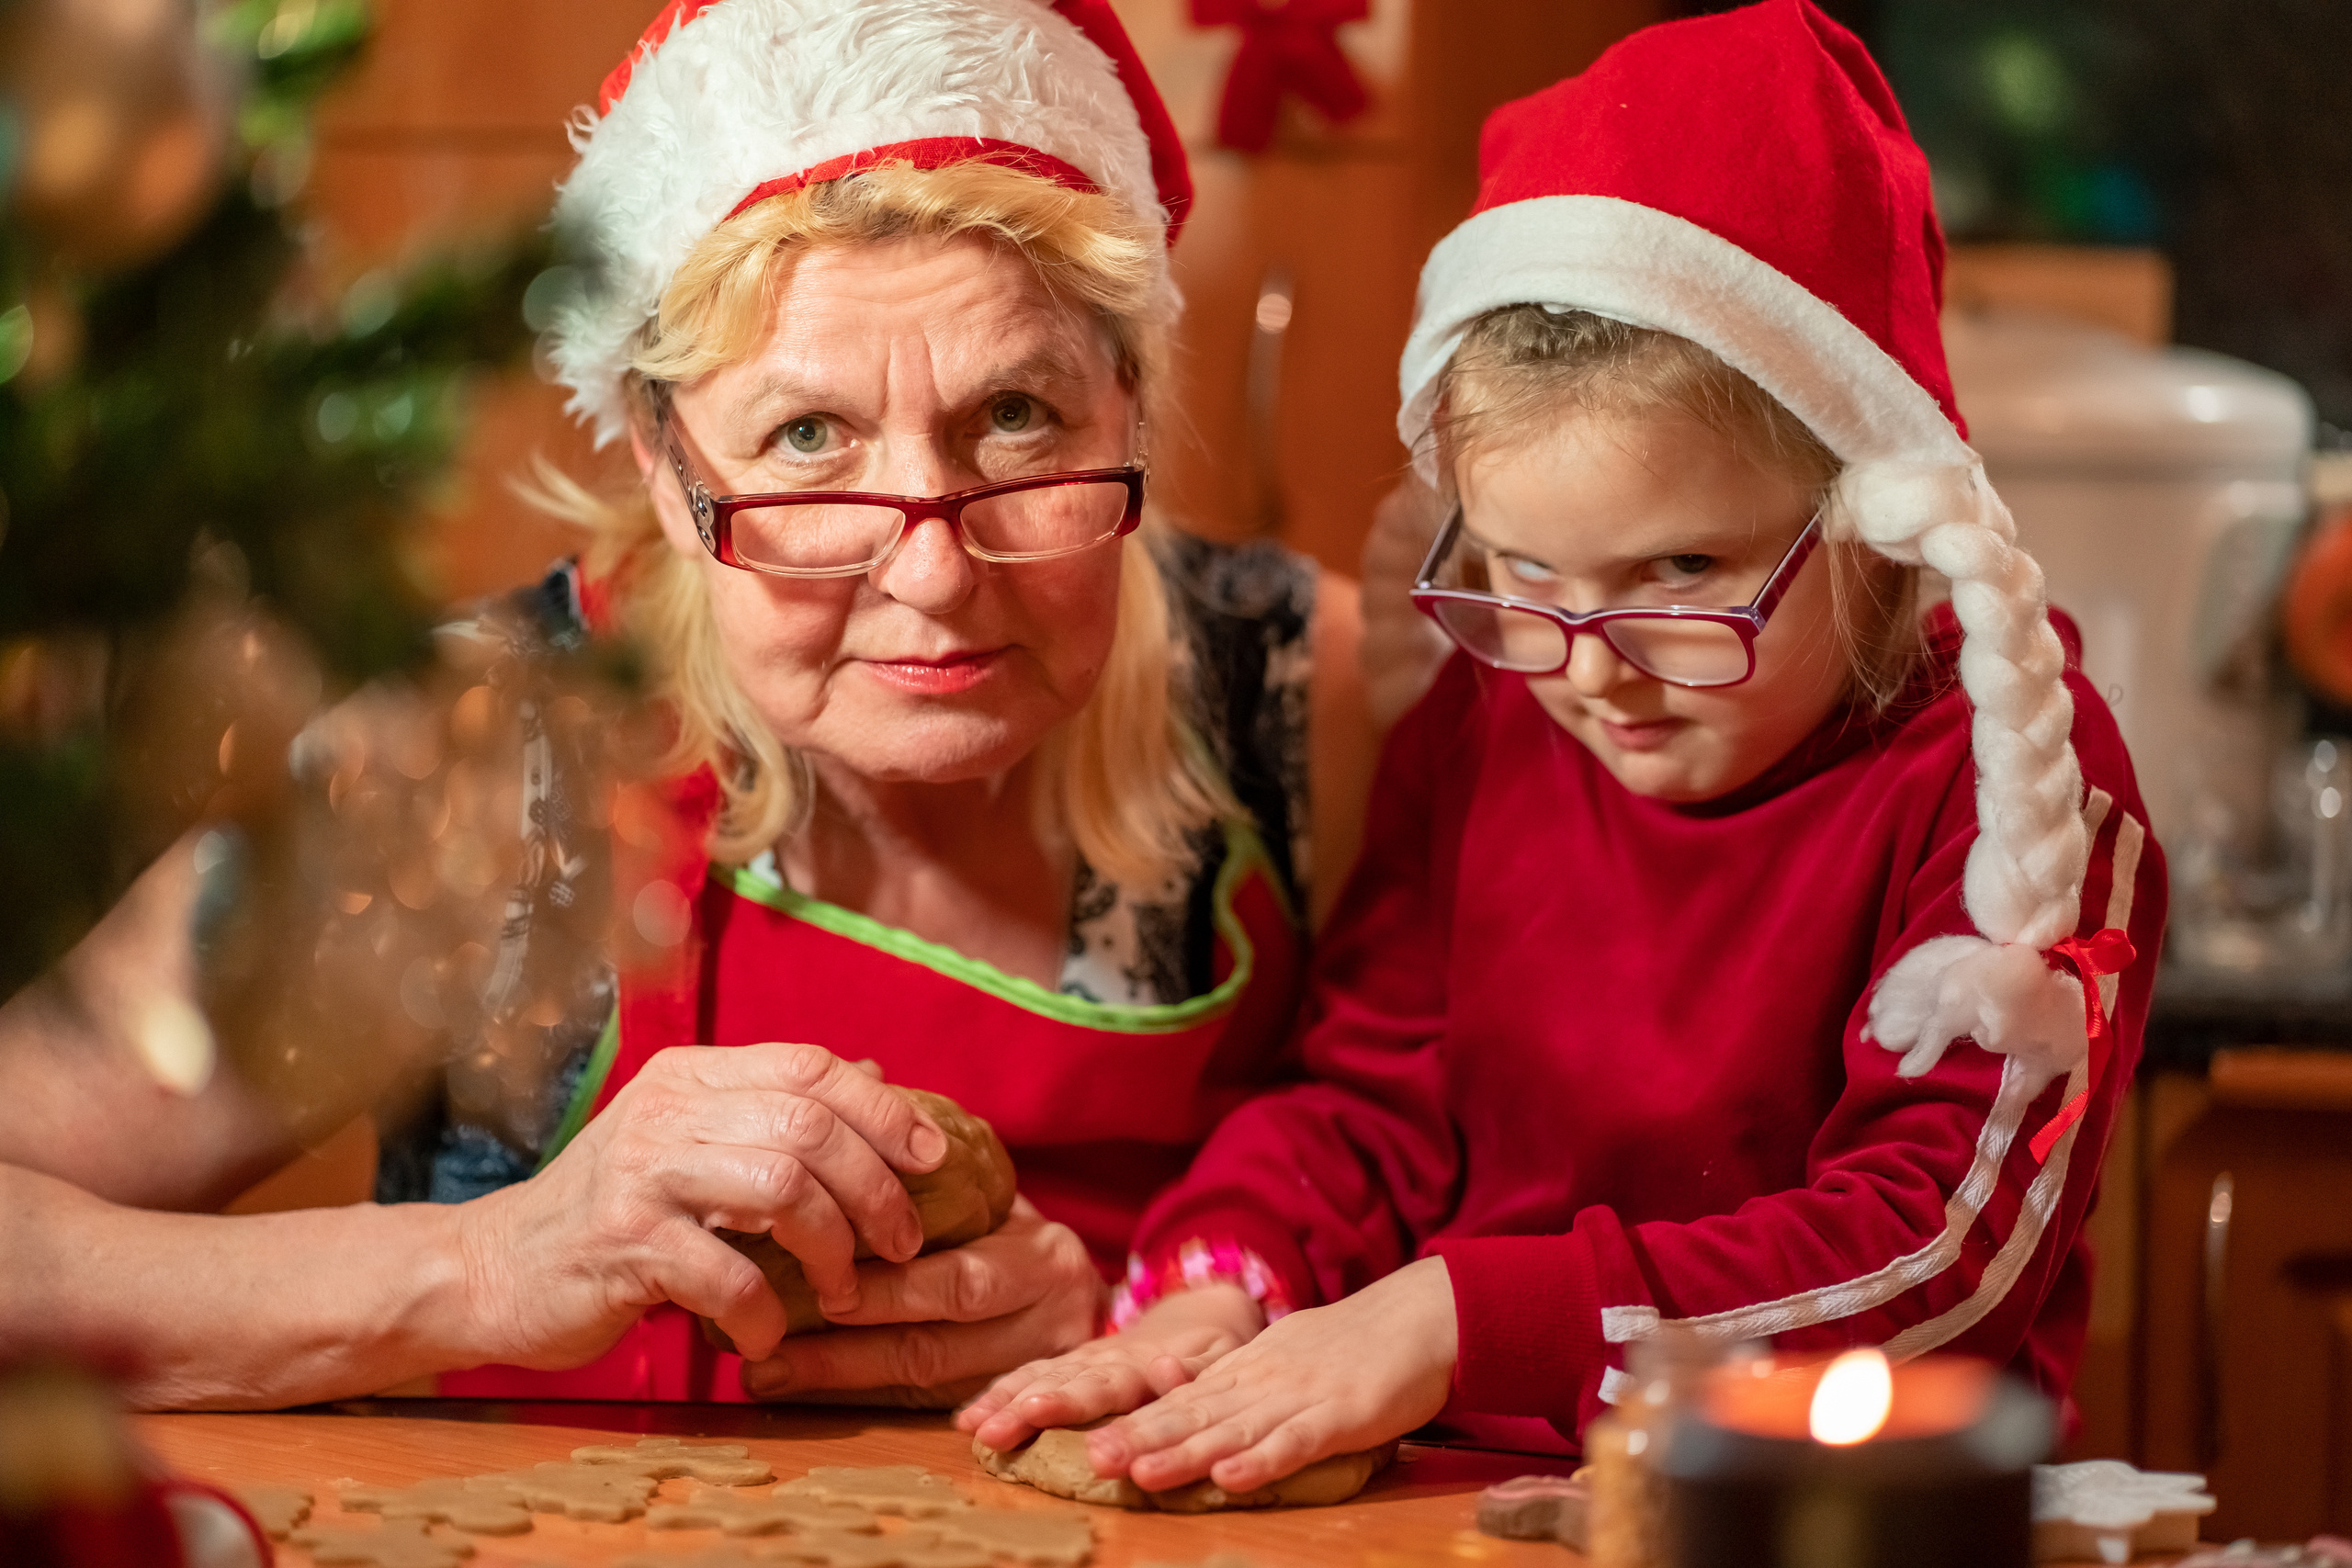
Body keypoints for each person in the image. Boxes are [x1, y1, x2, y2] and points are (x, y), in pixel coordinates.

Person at [0, 0, 1371, 1409]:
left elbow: (1449, 1169)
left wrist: (1148, 1303)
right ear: (664, 465)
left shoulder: (1304, 695)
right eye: (808, 437)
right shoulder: (471, 760)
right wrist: (486, 1265)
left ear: (1130, 400)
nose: (933, 572)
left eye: (1016, 416)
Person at [961, 0, 2165, 1492]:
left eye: (1684, 575)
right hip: (1467, 1501)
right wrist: (1226, 1281)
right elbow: (1374, 1093)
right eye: (1524, 574)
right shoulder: (1490, 715)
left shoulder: (2012, 793)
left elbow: (1933, 1257)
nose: (1593, 673)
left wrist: (1462, 1320)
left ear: (1872, 513)